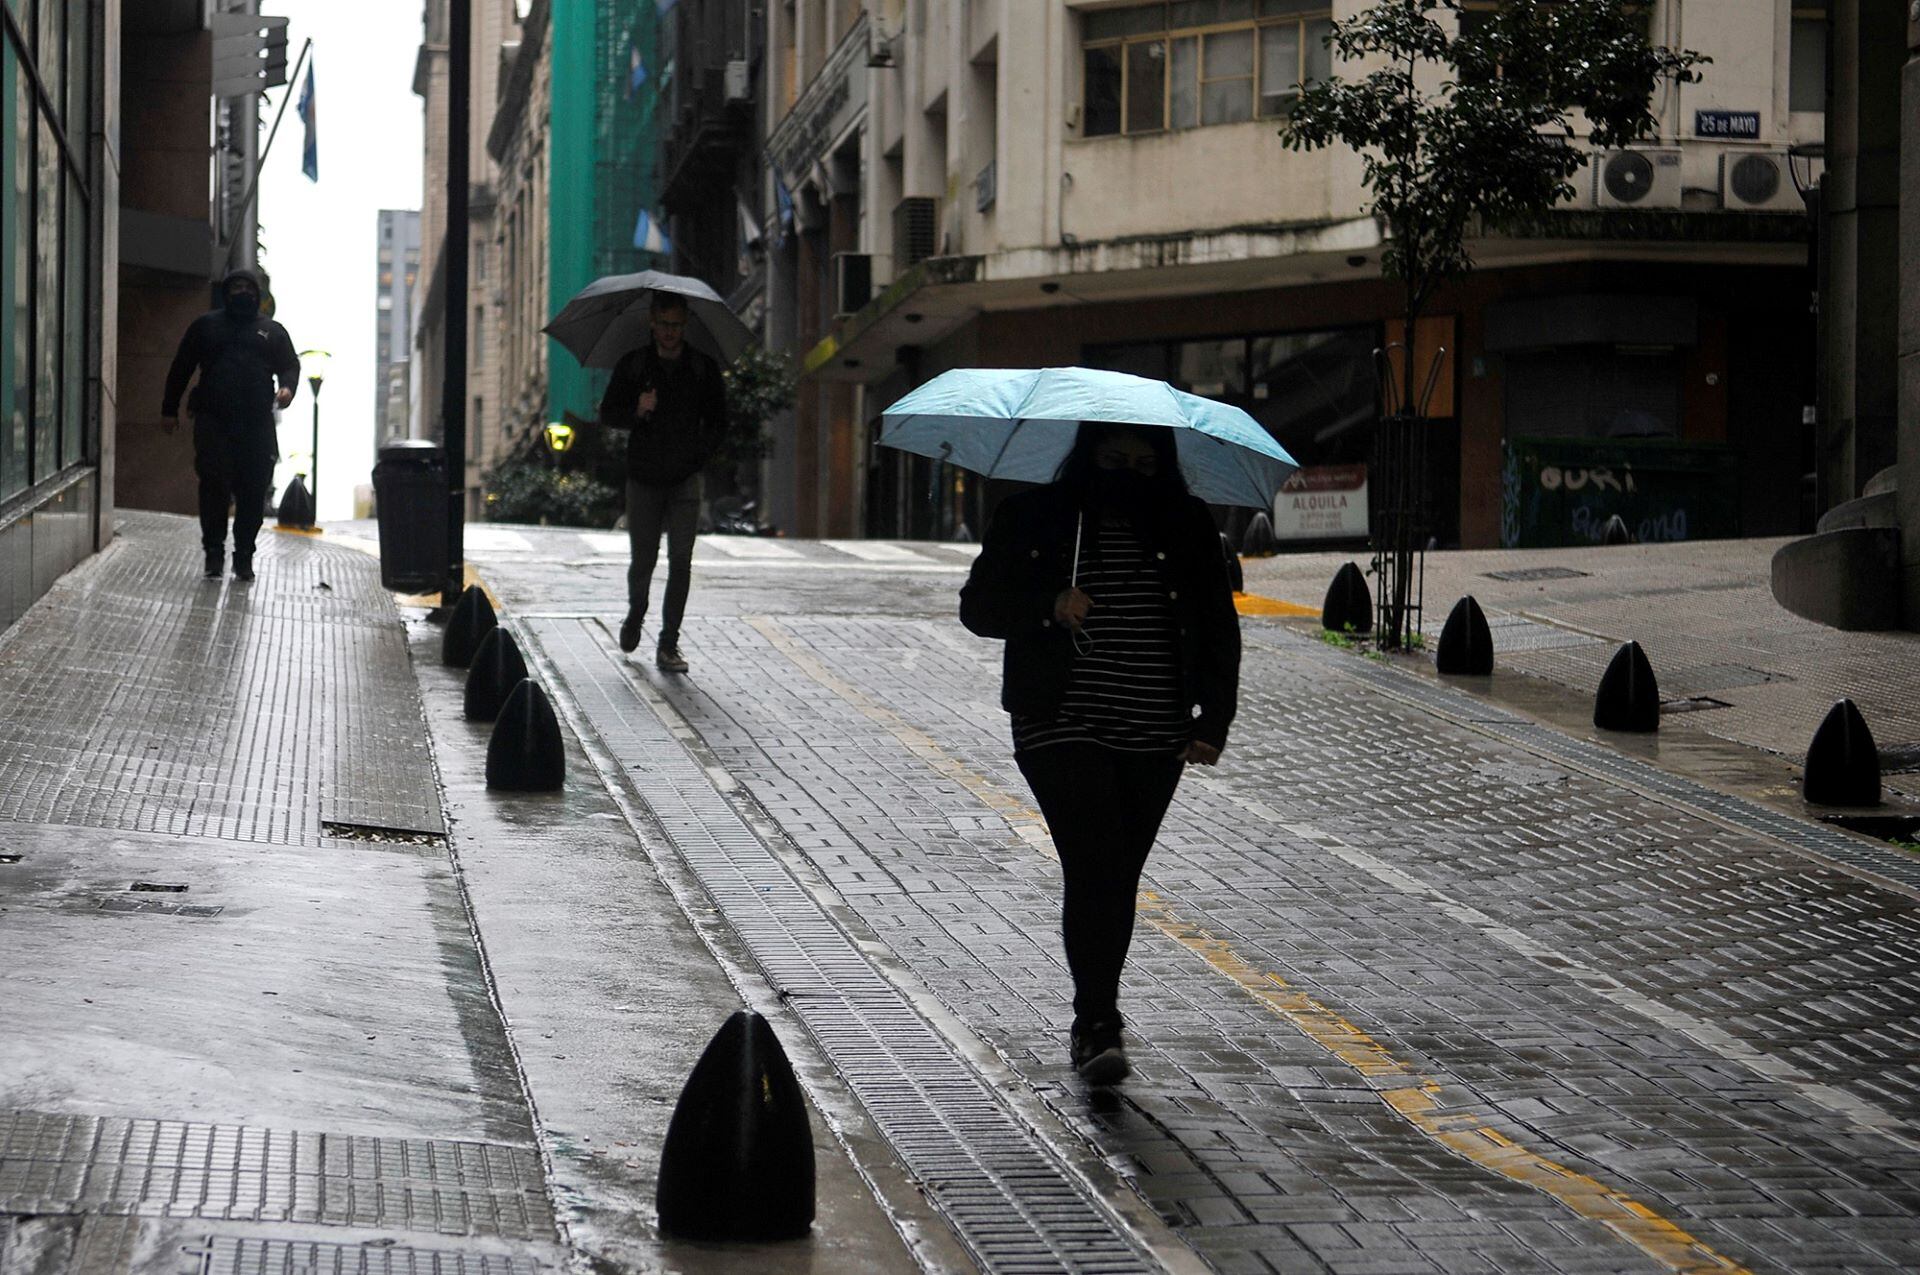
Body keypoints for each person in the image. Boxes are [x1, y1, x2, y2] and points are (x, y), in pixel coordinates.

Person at [960, 422, 1240, 1086]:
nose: (1127, 473)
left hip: (1154, 727)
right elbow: (978, 605)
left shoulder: (1186, 524)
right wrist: (1049, 603)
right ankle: (1097, 1023)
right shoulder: (1035, 514)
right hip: (1059, 717)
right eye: (1113, 459)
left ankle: (1096, 1017)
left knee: (1114, 876)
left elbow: (1217, 624)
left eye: (1143, 463)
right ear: (1087, 457)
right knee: (1097, 861)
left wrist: (1213, 717)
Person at [599, 293, 728, 673]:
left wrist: (697, 455)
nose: (670, 333)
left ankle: (669, 643)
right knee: (643, 559)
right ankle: (636, 612)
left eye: (677, 325)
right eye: (664, 324)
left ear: (685, 325)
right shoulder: (635, 365)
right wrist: (637, 411)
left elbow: (719, 423)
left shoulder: (702, 369)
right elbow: (608, 413)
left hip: (685, 479)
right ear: (652, 323)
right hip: (643, 477)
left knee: (681, 562)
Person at [160, 268, 301, 581]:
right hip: (214, 422)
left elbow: (290, 364)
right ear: (225, 292)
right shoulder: (206, 326)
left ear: (258, 296)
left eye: (248, 288)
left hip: (257, 426)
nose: (242, 292)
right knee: (214, 488)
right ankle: (213, 553)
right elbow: (181, 367)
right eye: (235, 286)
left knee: (253, 492)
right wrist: (168, 409)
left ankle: (244, 556)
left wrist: (288, 388)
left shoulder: (272, 331)